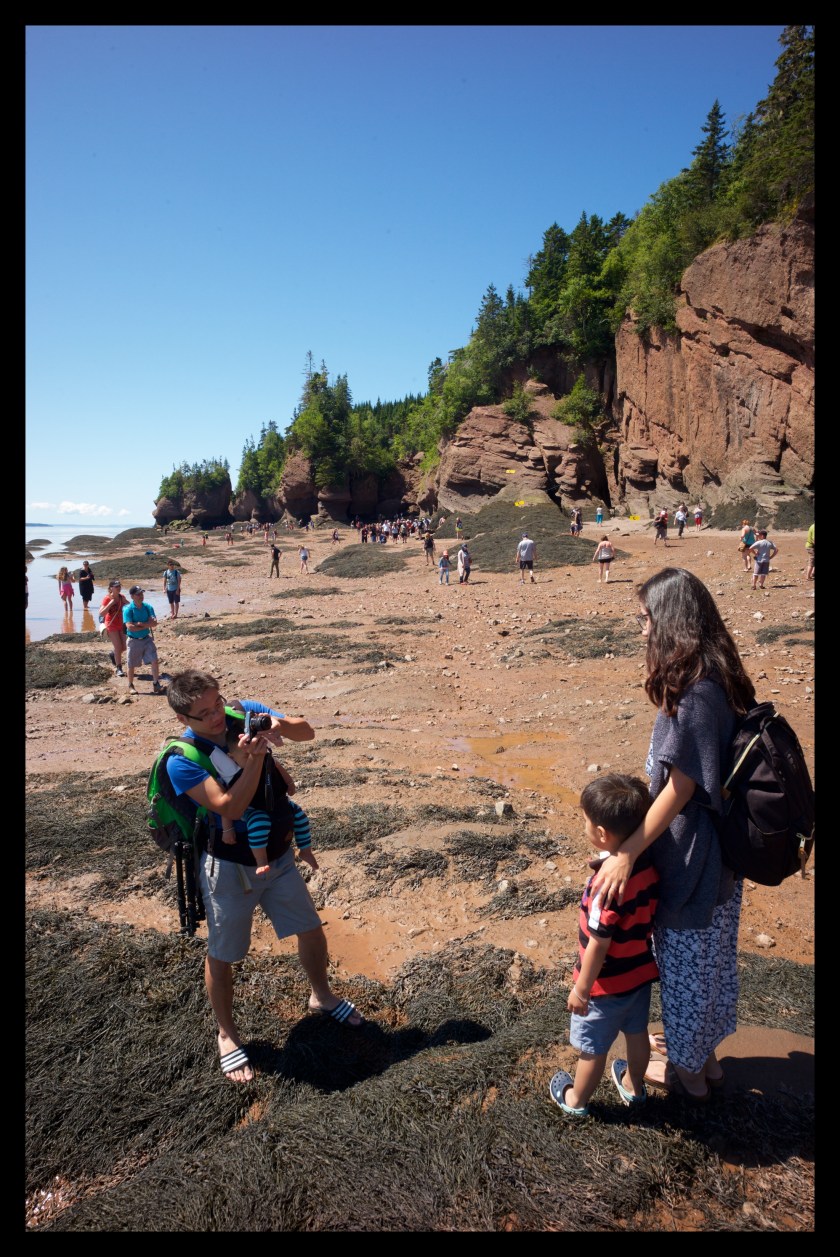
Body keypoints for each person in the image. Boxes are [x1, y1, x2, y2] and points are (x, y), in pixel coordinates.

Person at [591, 567, 756, 1100]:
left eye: (646, 619)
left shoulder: (698, 693)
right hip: (713, 858)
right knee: (709, 967)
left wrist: (627, 852)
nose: (642, 629)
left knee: (686, 970)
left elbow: (681, 787)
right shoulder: (716, 675)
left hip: (695, 860)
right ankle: (705, 1062)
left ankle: (690, 1079)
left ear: (671, 620)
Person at [165, 669, 364, 1083]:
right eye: (204, 713)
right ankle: (226, 1034)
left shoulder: (243, 714)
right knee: (223, 955)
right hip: (229, 868)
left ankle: (321, 996)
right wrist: (254, 759)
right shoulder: (181, 760)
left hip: (278, 854)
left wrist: (277, 724)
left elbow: (306, 732)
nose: (217, 716)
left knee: (310, 929)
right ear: (184, 719)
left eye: (218, 703)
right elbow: (230, 807)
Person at [549, 775, 658, 1116]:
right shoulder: (649, 867)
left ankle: (575, 1100)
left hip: (604, 986)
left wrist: (582, 990)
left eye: (584, 820)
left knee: (592, 1049)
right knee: (637, 1034)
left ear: (600, 833)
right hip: (639, 975)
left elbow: (598, 943)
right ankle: (634, 1087)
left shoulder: (606, 886)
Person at [224, 730, 318, 877]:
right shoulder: (237, 777)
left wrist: (290, 783)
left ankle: (305, 851)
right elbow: (227, 805)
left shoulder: (268, 760)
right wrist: (227, 829)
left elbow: (280, 769)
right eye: (246, 757)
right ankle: (261, 860)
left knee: (300, 816)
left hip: (278, 803)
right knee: (259, 824)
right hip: (254, 809)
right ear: (232, 758)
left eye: (256, 753)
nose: (253, 759)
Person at [124, 586, 164, 695]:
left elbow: (154, 623)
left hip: (146, 639)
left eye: (141, 594)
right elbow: (129, 627)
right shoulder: (128, 609)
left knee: (154, 660)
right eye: (138, 594)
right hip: (133, 641)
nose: (141, 596)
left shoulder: (148, 607)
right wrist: (146, 625)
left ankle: (156, 683)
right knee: (131, 664)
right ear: (132, 596)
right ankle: (131, 685)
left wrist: (140, 624)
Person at [100, 579, 128, 677]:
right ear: (111, 588)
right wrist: (111, 603)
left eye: (119, 586)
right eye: (116, 586)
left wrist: (126, 602)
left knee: (124, 647)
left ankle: (113, 654)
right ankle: (119, 668)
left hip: (121, 624)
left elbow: (131, 607)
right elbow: (101, 613)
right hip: (111, 625)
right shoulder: (107, 598)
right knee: (118, 647)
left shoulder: (122, 597)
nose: (118, 588)